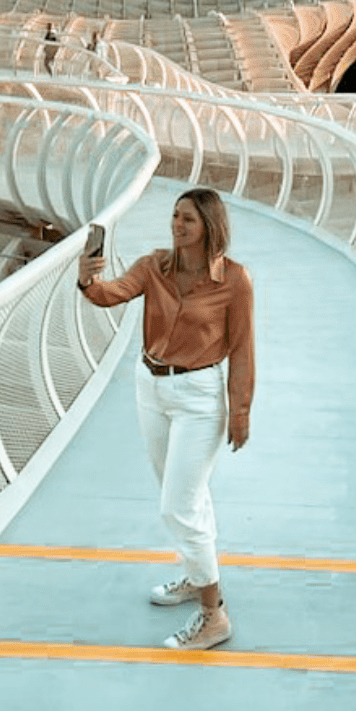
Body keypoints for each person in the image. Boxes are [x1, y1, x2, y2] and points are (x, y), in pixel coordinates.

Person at [77, 188, 254, 650]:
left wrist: (240, 411)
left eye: (188, 219)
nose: (177, 225)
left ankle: (214, 615)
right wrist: (88, 281)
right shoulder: (154, 266)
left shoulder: (235, 281)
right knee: (184, 496)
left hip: (199, 397)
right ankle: (197, 575)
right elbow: (111, 294)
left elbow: (242, 350)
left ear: (209, 226)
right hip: (150, 387)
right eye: (175, 216)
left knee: (177, 506)